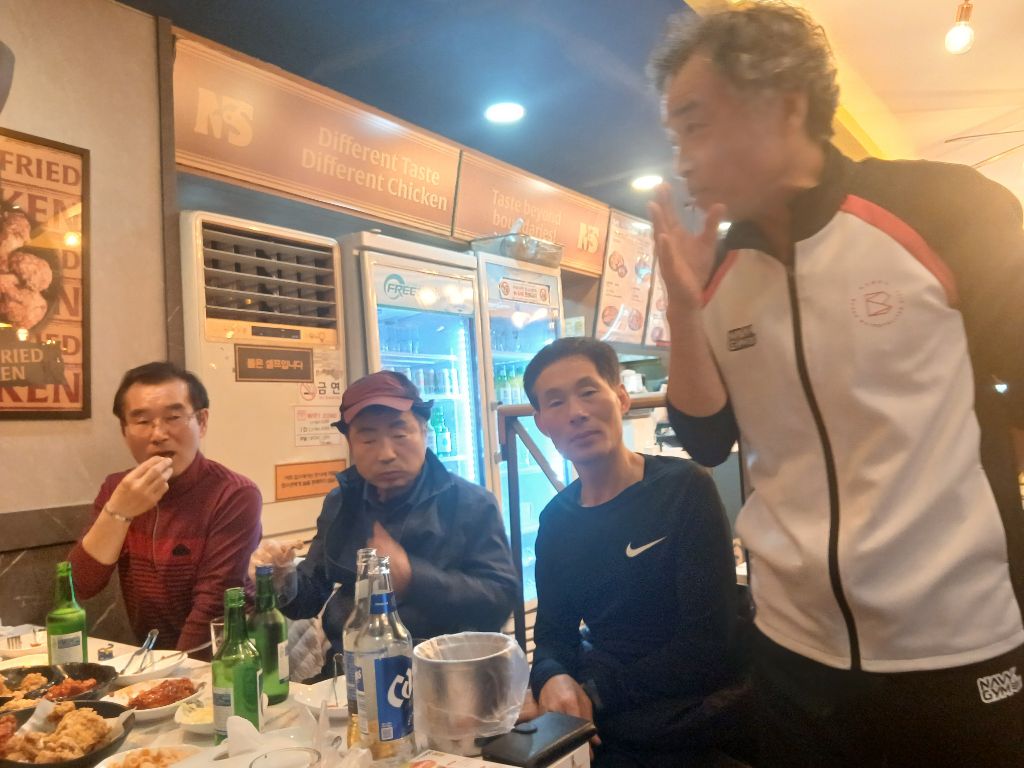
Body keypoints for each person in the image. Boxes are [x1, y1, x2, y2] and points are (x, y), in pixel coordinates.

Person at [647, 4, 1024, 765]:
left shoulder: (946, 207)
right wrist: (684, 310)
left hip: (961, 641)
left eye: (697, 125)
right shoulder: (718, 267)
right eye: (675, 136)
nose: (683, 160)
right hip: (794, 651)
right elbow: (706, 437)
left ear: (787, 105)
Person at [524, 338, 750, 767]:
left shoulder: (685, 488)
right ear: (542, 423)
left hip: (689, 719)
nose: (576, 412)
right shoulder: (556, 520)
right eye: (555, 402)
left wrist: (591, 693)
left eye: (588, 391)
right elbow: (553, 635)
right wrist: (551, 677)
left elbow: (707, 643)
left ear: (621, 398)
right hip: (603, 723)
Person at [250, 370, 518, 678]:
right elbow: (308, 601)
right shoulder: (341, 503)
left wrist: (413, 577)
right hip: (350, 673)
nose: (386, 454)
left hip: (443, 675)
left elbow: (499, 600)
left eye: (400, 434)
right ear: (350, 443)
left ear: (424, 431)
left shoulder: (471, 503)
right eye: (368, 438)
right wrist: (283, 579)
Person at [69, 362, 262, 652]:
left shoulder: (233, 494)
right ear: (124, 430)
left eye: (173, 417)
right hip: (155, 659)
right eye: (142, 421)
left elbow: (213, 605)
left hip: (225, 659)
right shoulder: (118, 489)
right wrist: (118, 511)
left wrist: (171, 674)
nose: (158, 434)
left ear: (202, 421)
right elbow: (80, 586)